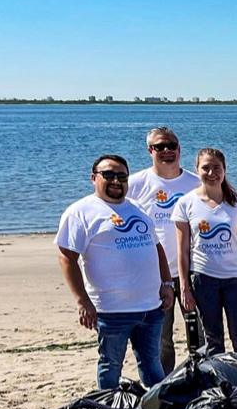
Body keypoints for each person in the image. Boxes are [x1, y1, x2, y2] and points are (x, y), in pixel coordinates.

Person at [56, 154, 174, 389]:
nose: (116, 181)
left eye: (121, 176)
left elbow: (156, 246)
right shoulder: (80, 212)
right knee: (111, 365)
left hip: (150, 308)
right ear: (94, 178)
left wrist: (167, 283)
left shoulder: (137, 208)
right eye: (108, 175)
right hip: (112, 310)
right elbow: (67, 257)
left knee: (152, 364)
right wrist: (82, 301)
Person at [174, 148, 237, 365]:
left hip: (236, 280)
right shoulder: (186, 203)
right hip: (204, 280)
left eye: (217, 168)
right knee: (214, 341)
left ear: (224, 170)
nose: (211, 172)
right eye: (206, 168)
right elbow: (183, 250)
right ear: (197, 170)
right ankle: (217, 388)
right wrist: (184, 286)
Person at [126, 126, 198, 371]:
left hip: (192, 272)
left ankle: (200, 385)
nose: (167, 151)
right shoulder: (135, 184)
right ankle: (163, 388)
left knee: (198, 337)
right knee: (160, 340)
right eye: (160, 147)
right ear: (150, 151)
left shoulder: (195, 183)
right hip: (154, 276)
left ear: (179, 149)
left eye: (171, 146)